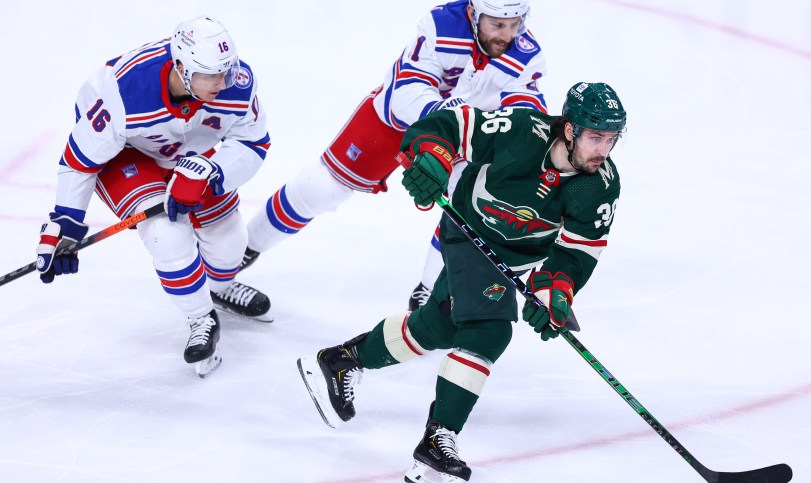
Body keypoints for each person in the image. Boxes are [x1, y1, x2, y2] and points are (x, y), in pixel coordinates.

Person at [297, 81, 627, 482]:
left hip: (514, 259)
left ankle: (340, 360)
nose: (603, 151)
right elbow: (451, 125)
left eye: (612, 140)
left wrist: (553, 293)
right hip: (468, 230)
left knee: (438, 325)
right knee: (488, 332)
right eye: (596, 137)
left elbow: (576, 252)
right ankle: (437, 441)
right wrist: (434, 158)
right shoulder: (522, 131)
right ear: (570, 129)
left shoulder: (600, 185)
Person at [242, 0, 547, 311]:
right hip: (398, 120)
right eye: (497, 24)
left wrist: (517, 146)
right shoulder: (441, 27)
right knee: (322, 188)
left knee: (470, 201)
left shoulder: (526, 53)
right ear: (473, 14)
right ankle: (245, 247)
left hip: (462, 133)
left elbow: (525, 109)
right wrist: (441, 125)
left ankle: (430, 291)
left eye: (515, 23)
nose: (507, 35)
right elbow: (408, 90)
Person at [35, 16, 273, 377]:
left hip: (191, 152)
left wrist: (212, 172)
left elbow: (253, 142)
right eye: (212, 74)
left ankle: (220, 286)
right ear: (181, 67)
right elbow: (80, 161)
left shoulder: (236, 84)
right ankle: (201, 318)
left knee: (229, 244)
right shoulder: (124, 92)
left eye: (228, 69)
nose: (224, 82)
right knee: (166, 234)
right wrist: (65, 224)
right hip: (127, 155)